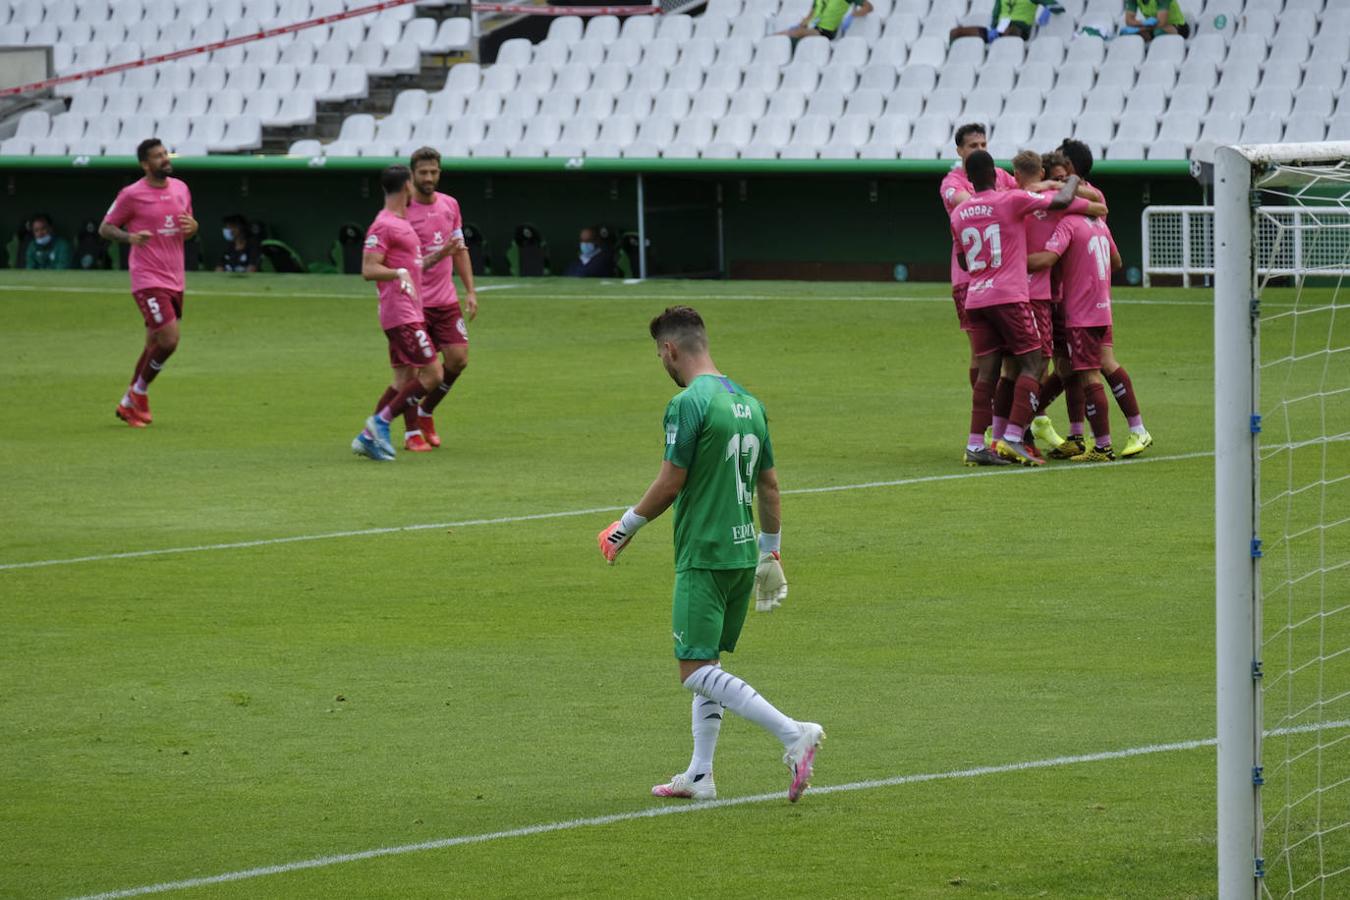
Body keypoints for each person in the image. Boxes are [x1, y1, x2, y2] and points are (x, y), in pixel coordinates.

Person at [596, 305, 822, 803]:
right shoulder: (749, 402)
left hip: (705, 551)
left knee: (694, 670)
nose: (662, 362)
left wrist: (623, 527)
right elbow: (770, 485)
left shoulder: (689, 404)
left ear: (671, 349)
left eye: (660, 353)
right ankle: (701, 775)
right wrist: (772, 554)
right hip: (743, 555)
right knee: (708, 663)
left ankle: (792, 732)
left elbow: (670, 482)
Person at [949, 150, 1105, 467]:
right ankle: (1013, 439)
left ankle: (976, 444)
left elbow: (965, 259)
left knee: (988, 373)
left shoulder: (959, 213)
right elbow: (1061, 202)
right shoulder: (1011, 200)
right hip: (1009, 295)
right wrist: (1072, 178)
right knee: (1035, 363)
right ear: (995, 173)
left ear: (970, 178)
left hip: (976, 298)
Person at [1028, 213, 1154, 460]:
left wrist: (1009, 262)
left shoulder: (1068, 222)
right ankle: (1079, 436)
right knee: (1070, 369)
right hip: (1099, 304)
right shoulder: (1097, 219)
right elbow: (1115, 261)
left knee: (1091, 370)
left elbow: (1050, 258)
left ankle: (1106, 444)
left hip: (1076, 307)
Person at [100, 138, 197, 428]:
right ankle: (139, 392)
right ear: (145, 164)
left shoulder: (181, 188)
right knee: (169, 339)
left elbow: (186, 229)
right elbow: (106, 227)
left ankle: (128, 404)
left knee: (153, 343)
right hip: (147, 278)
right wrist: (129, 238)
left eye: (165, 154)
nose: (165, 159)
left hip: (175, 278)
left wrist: (195, 228)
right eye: (157, 156)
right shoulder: (132, 194)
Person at [350, 165, 444, 462]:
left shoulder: (401, 223)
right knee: (432, 374)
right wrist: (397, 272)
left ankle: (366, 439)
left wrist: (441, 255)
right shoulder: (385, 224)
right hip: (401, 314)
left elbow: (412, 267)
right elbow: (368, 269)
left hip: (408, 310)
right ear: (407, 187)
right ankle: (380, 423)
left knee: (403, 381)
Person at [940, 124, 1020, 466]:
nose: (979, 148)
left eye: (984, 143)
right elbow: (968, 204)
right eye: (972, 144)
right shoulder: (952, 183)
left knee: (1013, 355)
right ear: (959, 150)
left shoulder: (1001, 175)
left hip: (1004, 277)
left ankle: (1014, 424)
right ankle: (987, 428)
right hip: (968, 280)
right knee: (982, 355)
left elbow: (1025, 190)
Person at [404, 146, 477, 452]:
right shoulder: (402, 212)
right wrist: (441, 254)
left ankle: (426, 410)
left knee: (458, 359)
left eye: (434, 172)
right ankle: (410, 433)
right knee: (415, 371)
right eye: (423, 172)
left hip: (446, 301)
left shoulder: (450, 205)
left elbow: (459, 248)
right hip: (413, 303)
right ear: (412, 174)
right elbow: (407, 264)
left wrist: (470, 290)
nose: (429, 177)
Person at [777, 0, 872, 40]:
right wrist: (801, 24)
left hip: (827, 31)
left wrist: (852, 16)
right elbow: (811, 14)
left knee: (796, 33)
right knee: (782, 34)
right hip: (813, 28)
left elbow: (868, 7)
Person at [950, 0, 1038, 42]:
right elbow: (995, 15)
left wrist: (1046, 11)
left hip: (1019, 29)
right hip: (998, 30)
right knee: (955, 32)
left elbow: (1051, 5)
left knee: (1009, 29)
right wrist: (992, 28)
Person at [1123, 0, 1190, 40]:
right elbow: (1129, 21)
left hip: (1177, 27)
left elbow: (1161, 23)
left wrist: (1139, 29)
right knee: (1127, 34)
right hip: (1153, 27)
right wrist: (1143, 23)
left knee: (1159, 32)